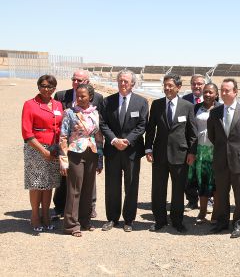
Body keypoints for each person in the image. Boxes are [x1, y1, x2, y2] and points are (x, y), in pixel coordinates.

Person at [145, 73, 197, 233]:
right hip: (159, 154)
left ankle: (177, 221)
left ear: (178, 87)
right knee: (158, 189)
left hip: (180, 155)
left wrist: (192, 153)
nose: (167, 88)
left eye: (170, 86)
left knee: (178, 190)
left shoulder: (187, 106)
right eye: (165, 85)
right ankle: (160, 220)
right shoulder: (157, 104)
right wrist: (148, 148)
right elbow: (150, 128)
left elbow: (192, 133)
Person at [207, 78, 240, 238]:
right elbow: (212, 135)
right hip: (221, 159)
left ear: (235, 92)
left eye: (227, 90)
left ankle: (239, 224)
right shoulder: (215, 112)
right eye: (221, 90)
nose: (223, 93)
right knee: (221, 194)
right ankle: (222, 222)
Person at [100, 69, 149, 232]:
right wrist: (114, 140)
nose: (122, 83)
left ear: (132, 84)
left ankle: (129, 219)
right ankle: (112, 218)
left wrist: (127, 141)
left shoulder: (141, 102)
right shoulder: (108, 102)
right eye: (120, 80)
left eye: (126, 81)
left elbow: (142, 125)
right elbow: (103, 124)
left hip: (132, 151)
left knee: (131, 186)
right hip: (113, 150)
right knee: (112, 186)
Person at [52, 69, 103, 220]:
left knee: (88, 181)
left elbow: (99, 127)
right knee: (64, 178)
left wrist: (100, 154)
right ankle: (60, 207)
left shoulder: (98, 98)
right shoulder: (62, 95)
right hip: (69, 146)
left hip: (89, 148)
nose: (75, 83)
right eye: (73, 79)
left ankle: (89, 209)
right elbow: (59, 123)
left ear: (87, 82)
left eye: (79, 81)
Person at [21, 74, 63, 232]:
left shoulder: (58, 104)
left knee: (49, 183)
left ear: (54, 88)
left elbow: (60, 128)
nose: (47, 89)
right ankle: (35, 216)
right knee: (37, 184)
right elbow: (27, 133)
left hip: (54, 149)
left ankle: (46, 215)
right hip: (36, 149)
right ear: (38, 86)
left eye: (50, 86)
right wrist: (43, 151)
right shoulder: (30, 104)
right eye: (44, 86)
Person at [188, 83, 221, 223]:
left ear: (216, 94)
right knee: (202, 181)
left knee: (216, 182)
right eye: (205, 92)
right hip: (200, 150)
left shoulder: (221, 109)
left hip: (216, 151)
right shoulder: (196, 108)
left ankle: (216, 213)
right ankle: (202, 211)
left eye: (211, 92)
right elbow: (190, 129)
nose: (207, 95)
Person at [182, 74, 206, 210]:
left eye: (200, 84)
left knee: (205, 172)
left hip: (205, 143)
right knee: (189, 173)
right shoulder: (184, 100)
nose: (197, 86)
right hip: (188, 143)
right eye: (194, 84)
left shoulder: (212, 100)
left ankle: (207, 199)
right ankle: (192, 200)